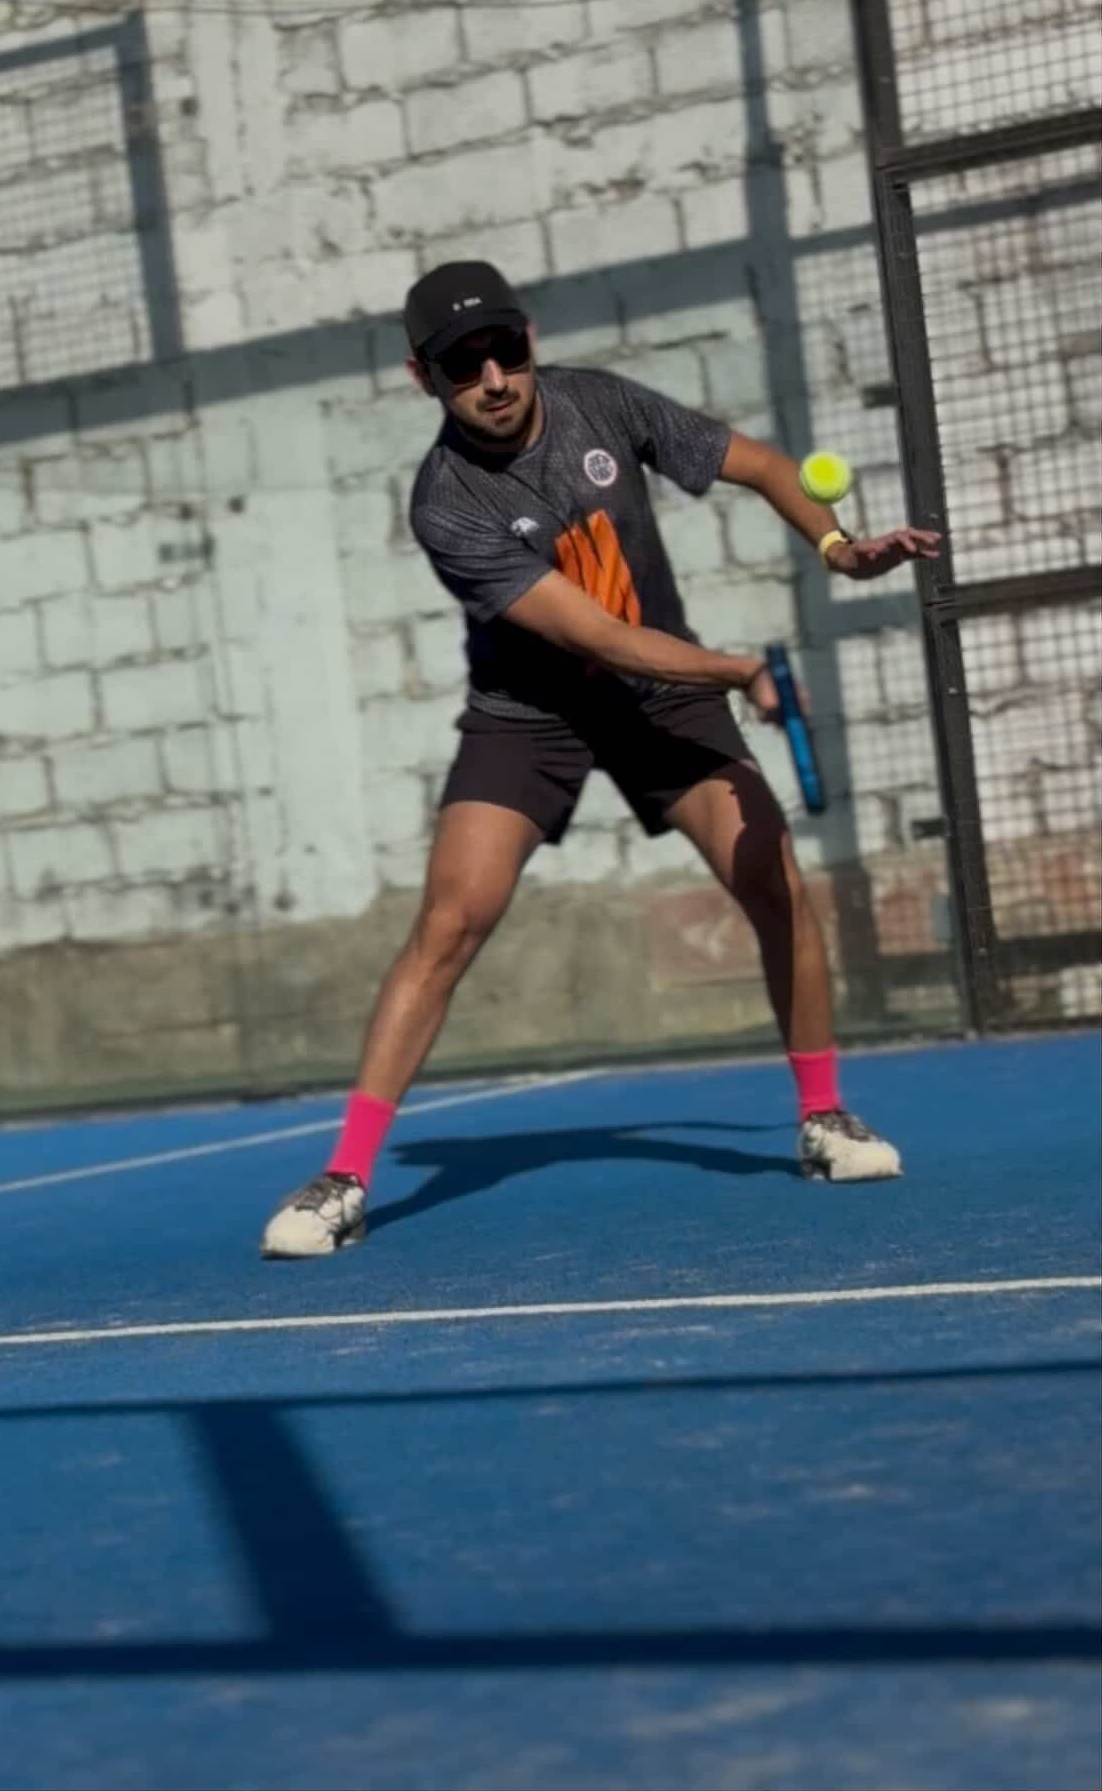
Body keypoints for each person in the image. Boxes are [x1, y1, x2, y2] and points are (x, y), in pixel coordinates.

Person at [261, 261, 940, 1257]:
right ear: (423, 378)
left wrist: (837, 547)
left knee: (774, 880)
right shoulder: (446, 503)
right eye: (462, 365)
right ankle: (345, 1177)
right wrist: (739, 669)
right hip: (530, 713)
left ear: (528, 338)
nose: (493, 379)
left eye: (505, 350)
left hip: (661, 699)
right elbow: (604, 638)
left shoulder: (604, 405)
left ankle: (823, 1116)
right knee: (449, 923)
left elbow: (759, 464)